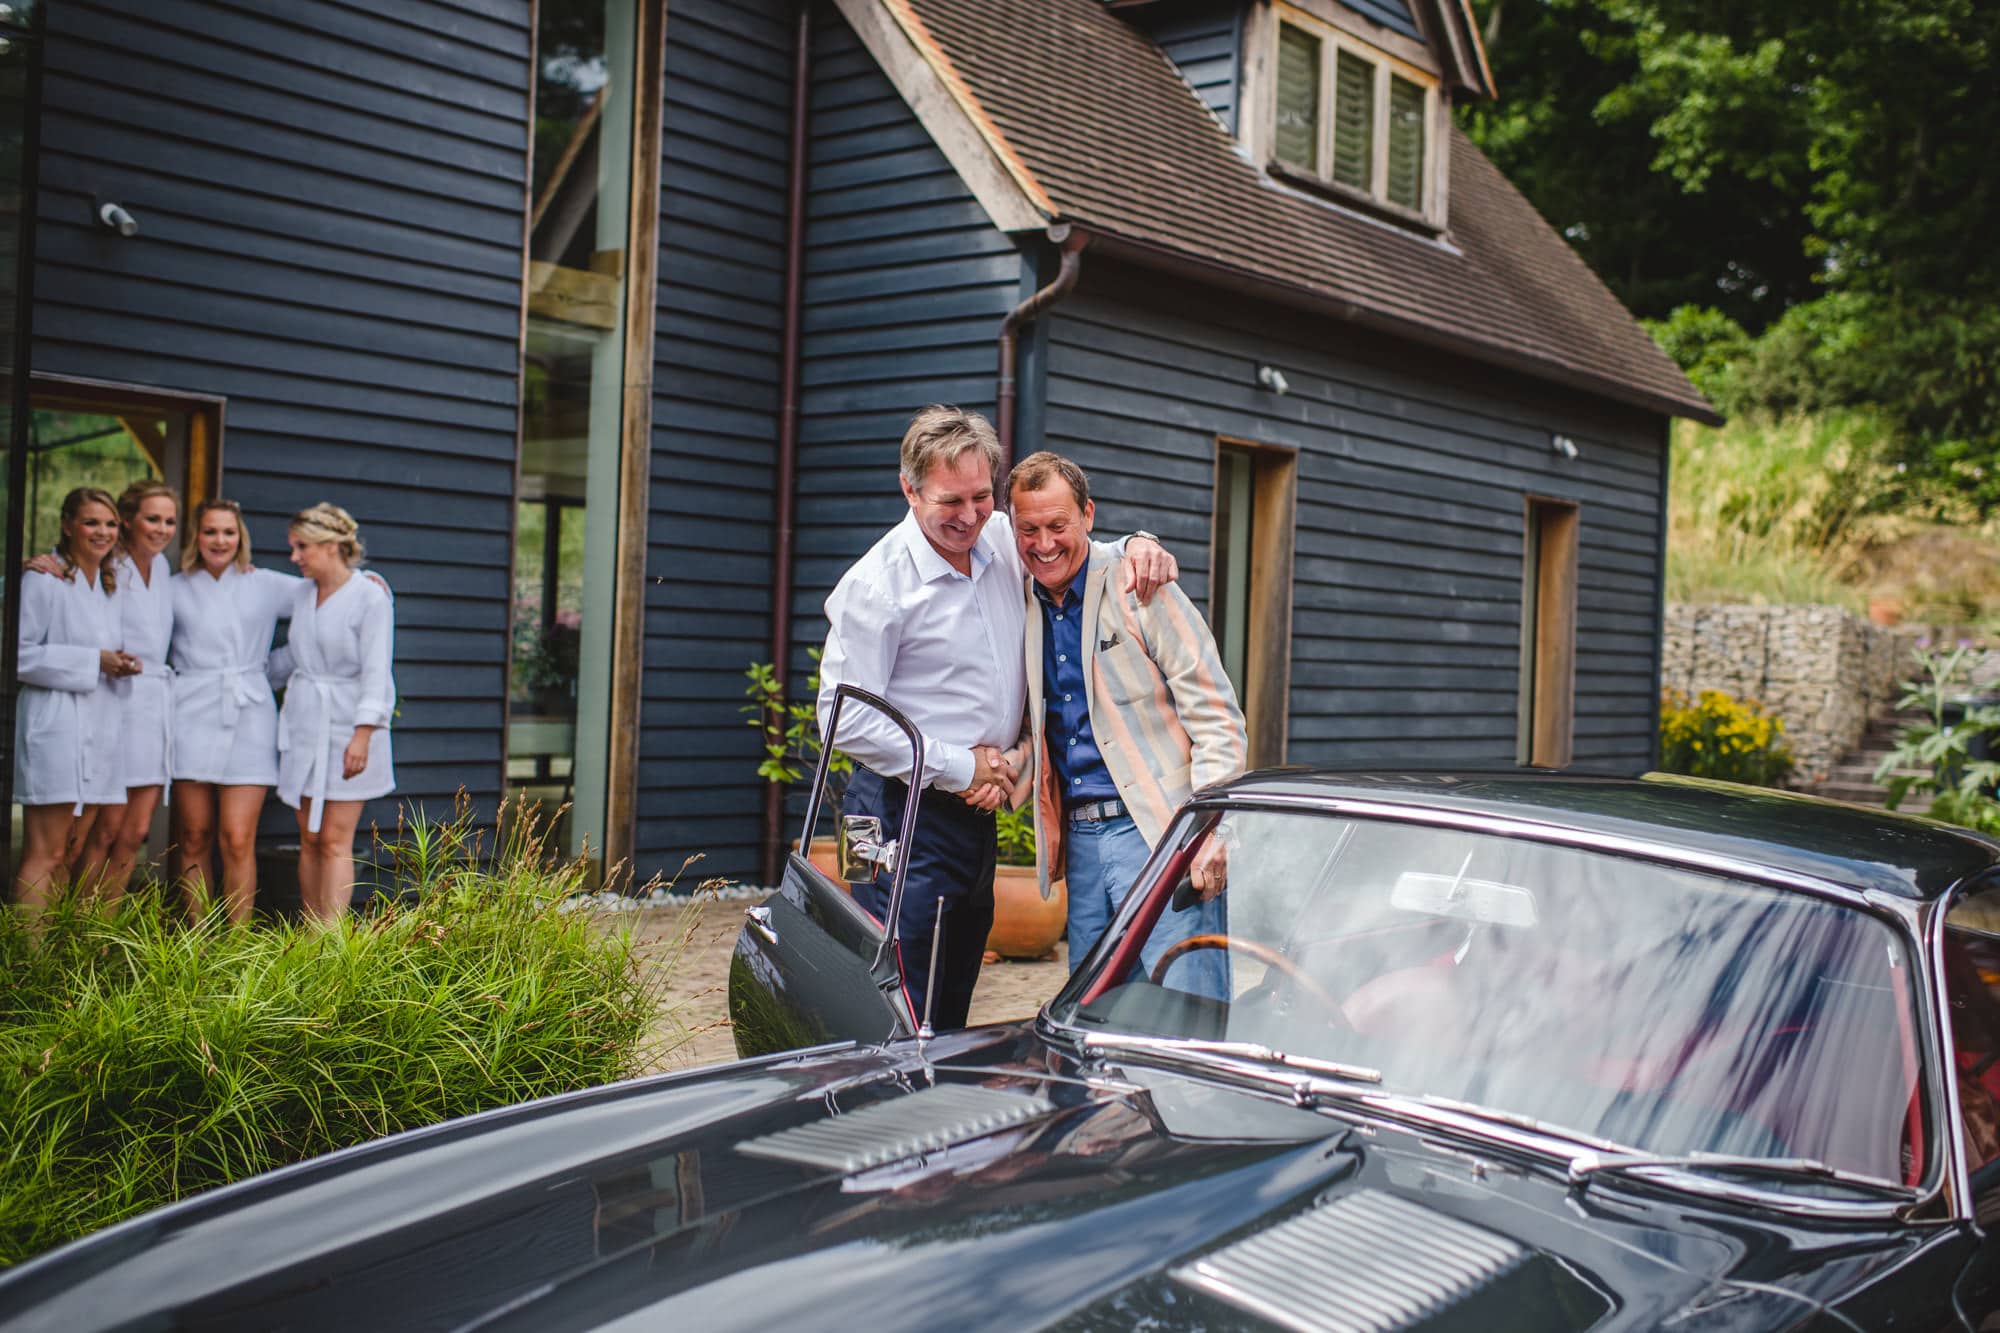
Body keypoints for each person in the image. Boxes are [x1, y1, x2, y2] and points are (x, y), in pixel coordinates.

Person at [817, 406, 1177, 1031]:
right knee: (893, 994)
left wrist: (1136, 546)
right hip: (886, 810)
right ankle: (882, 1118)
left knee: (954, 980)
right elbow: (840, 720)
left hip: (974, 812)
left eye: (982, 496)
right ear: (909, 489)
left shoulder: (1002, 538)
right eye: (949, 501)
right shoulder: (876, 585)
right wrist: (963, 766)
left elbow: (1067, 546)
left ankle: (942, 1113)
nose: (969, 516)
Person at [1007, 451, 1247, 988]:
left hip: (1161, 834)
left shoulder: (1141, 585)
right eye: (1029, 529)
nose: (1044, 544)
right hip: (1082, 846)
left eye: (1057, 525)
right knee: (1097, 1016)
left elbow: (1217, 716)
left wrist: (1212, 829)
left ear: (1088, 515)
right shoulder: (1017, 602)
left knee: (1189, 1010)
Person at [12, 487, 141, 918]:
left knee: (70, 853)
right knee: (44, 854)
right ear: (67, 525)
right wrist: (94, 661)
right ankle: (27, 962)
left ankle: (54, 950)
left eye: (109, 524)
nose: (101, 532)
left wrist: (117, 662)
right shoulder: (43, 579)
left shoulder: (108, 585)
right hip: (56, 725)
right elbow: (17, 655)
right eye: (91, 522)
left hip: (101, 726)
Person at [270, 503, 395, 922]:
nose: (295, 557)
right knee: (309, 837)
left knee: (336, 840)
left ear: (333, 545)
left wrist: (362, 735)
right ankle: (310, 934)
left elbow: (377, 670)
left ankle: (332, 936)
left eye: (301, 546)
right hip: (305, 723)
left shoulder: (370, 596)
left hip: (348, 727)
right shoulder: (304, 594)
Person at [68, 480, 178, 907]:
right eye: (153, 518)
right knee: (106, 828)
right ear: (128, 519)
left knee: (135, 832)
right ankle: (75, 920)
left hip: (154, 707)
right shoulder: (107, 565)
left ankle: (105, 927)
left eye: (169, 520)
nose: (162, 528)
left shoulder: (166, 569)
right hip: (113, 700)